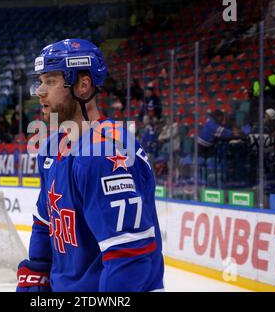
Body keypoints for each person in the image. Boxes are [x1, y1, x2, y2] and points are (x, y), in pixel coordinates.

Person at [16, 39, 164, 292]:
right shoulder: (52, 148)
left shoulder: (105, 153)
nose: (40, 91)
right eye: (40, 81)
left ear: (83, 85)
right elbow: (46, 221)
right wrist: (36, 275)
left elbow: (128, 257)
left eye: (50, 81)